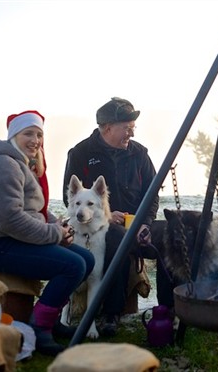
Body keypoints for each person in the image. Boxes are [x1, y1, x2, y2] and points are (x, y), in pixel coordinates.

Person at [0, 110, 95, 356]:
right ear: (14, 135)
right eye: (28, 133)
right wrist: (54, 233)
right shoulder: (2, 165)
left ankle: (51, 318)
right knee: (73, 265)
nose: (35, 140)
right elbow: (9, 220)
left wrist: (59, 226)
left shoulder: (21, 165)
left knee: (86, 259)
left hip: (11, 238)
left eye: (39, 134)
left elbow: (34, 210)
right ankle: (40, 328)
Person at [63, 97, 161, 336]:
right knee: (116, 239)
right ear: (107, 128)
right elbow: (73, 199)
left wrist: (144, 223)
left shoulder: (140, 154)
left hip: (139, 225)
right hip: (101, 228)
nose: (131, 134)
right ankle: (111, 314)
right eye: (127, 129)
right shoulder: (81, 153)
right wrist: (106, 216)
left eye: (133, 129)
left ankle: (170, 309)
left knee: (172, 234)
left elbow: (152, 194)